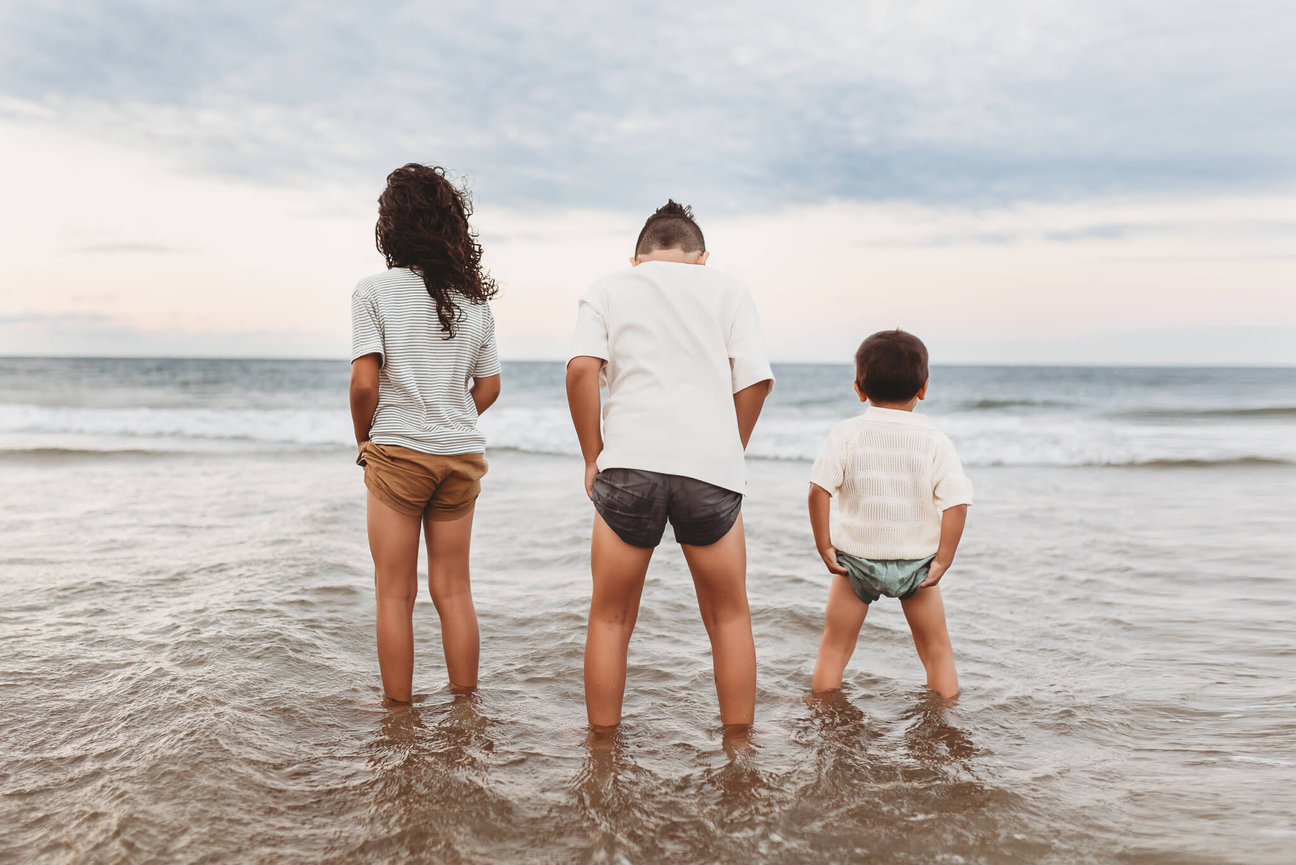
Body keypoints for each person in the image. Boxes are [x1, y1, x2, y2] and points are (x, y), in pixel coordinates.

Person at [566, 200, 775, 732]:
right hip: (710, 469)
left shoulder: (609, 286)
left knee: (610, 619)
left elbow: (581, 371)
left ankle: (603, 755)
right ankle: (739, 755)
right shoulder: (728, 287)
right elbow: (756, 381)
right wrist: (731, 447)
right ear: (700, 257)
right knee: (729, 618)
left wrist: (593, 455)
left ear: (637, 259)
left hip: (629, 464)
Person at [349, 163, 502, 704]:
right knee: (454, 590)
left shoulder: (373, 292)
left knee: (395, 593)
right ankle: (466, 706)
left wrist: (364, 436)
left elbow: (365, 382)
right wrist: (453, 414)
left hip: (399, 454)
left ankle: (399, 715)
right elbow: (489, 385)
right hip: (460, 455)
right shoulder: (474, 302)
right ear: (451, 226)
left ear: (391, 227)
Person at [808, 329, 972, 699]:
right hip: (917, 565)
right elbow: (957, 502)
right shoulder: (935, 440)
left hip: (855, 563)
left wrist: (825, 546)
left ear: (859, 388)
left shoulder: (847, 434)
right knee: (936, 651)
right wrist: (943, 560)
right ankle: (946, 718)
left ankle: (824, 712)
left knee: (835, 647)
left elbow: (818, 490)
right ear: (924, 388)